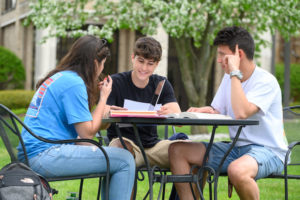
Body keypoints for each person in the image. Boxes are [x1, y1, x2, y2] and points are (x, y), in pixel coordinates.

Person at [168, 26, 288, 200]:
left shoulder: (265, 81)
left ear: (238, 55)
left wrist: (234, 73)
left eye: (222, 54)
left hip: (268, 151)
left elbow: (241, 113)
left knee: (236, 170)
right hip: (236, 148)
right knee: (177, 150)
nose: (218, 60)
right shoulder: (228, 78)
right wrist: (203, 112)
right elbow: (219, 111)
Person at [17, 35, 135, 200]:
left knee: (115, 158)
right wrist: (103, 99)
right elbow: (87, 133)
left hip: (34, 154)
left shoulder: (62, 77)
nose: (102, 69)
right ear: (95, 63)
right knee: (124, 159)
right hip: (45, 156)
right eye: (102, 64)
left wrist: (99, 110)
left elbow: (82, 139)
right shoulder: (74, 83)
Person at [107, 36, 182, 169]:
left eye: (150, 63)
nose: (144, 67)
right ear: (132, 58)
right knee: (122, 151)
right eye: (140, 61)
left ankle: (181, 191)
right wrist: (110, 113)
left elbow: (178, 117)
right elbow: (102, 114)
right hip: (125, 141)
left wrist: (170, 113)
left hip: (153, 146)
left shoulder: (161, 83)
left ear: (157, 64)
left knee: (191, 151)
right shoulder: (116, 82)